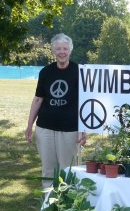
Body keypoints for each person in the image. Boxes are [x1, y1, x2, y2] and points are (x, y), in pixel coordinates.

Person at [25, 33, 87, 187]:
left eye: (65, 48)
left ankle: (69, 205)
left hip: (70, 129)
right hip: (45, 128)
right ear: (53, 50)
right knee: (48, 170)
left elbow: (86, 102)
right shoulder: (45, 72)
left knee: (69, 170)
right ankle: (48, 205)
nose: (62, 52)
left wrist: (84, 128)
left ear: (70, 50)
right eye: (58, 48)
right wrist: (29, 125)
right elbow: (38, 99)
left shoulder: (80, 72)